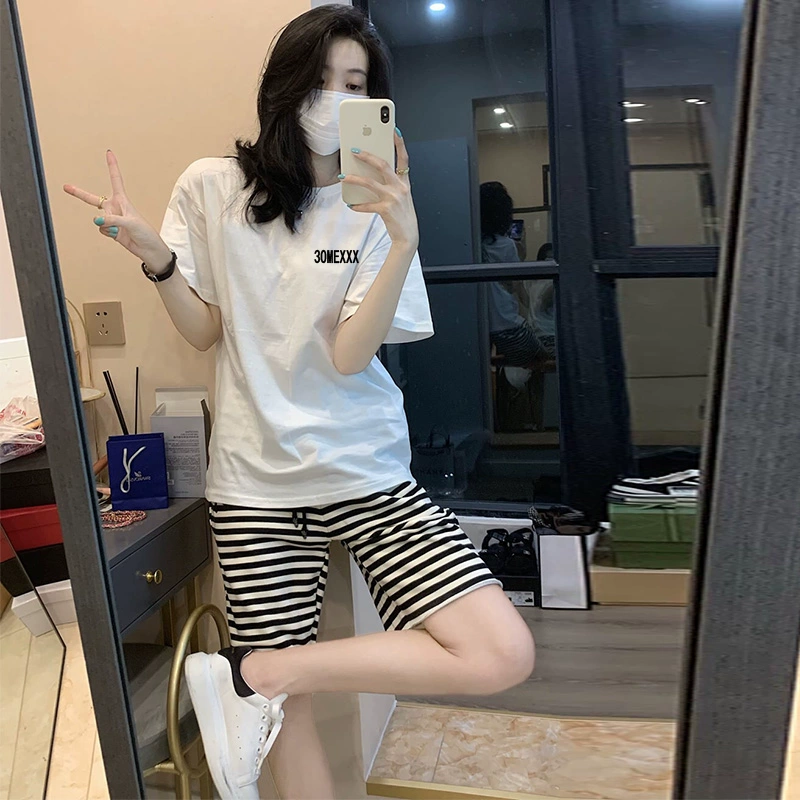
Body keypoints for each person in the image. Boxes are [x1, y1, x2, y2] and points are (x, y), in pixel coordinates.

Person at [64, 6, 534, 800]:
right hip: (254, 484)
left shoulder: (372, 206)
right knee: (292, 717)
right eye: (320, 79)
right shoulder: (212, 187)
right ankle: (268, 679)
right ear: (285, 85)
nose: (333, 98)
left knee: (500, 652)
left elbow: (350, 355)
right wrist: (157, 260)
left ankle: (259, 673)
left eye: (354, 84)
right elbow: (206, 330)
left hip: (365, 470)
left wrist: (404, 238)